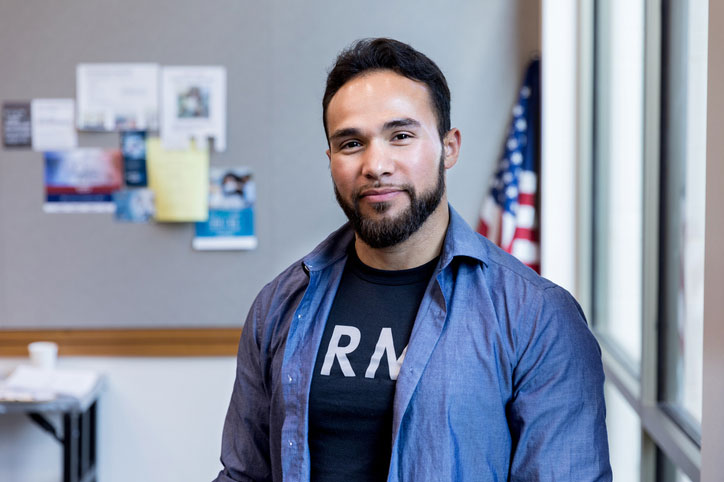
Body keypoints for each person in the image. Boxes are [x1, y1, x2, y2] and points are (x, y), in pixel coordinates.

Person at [214, 38, 611, 482]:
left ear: (450, 147)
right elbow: (244, 474)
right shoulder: (279, 305)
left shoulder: (538, 318)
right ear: (331, 161)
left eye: (400, 136)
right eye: (350, 143)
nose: (376, 164)